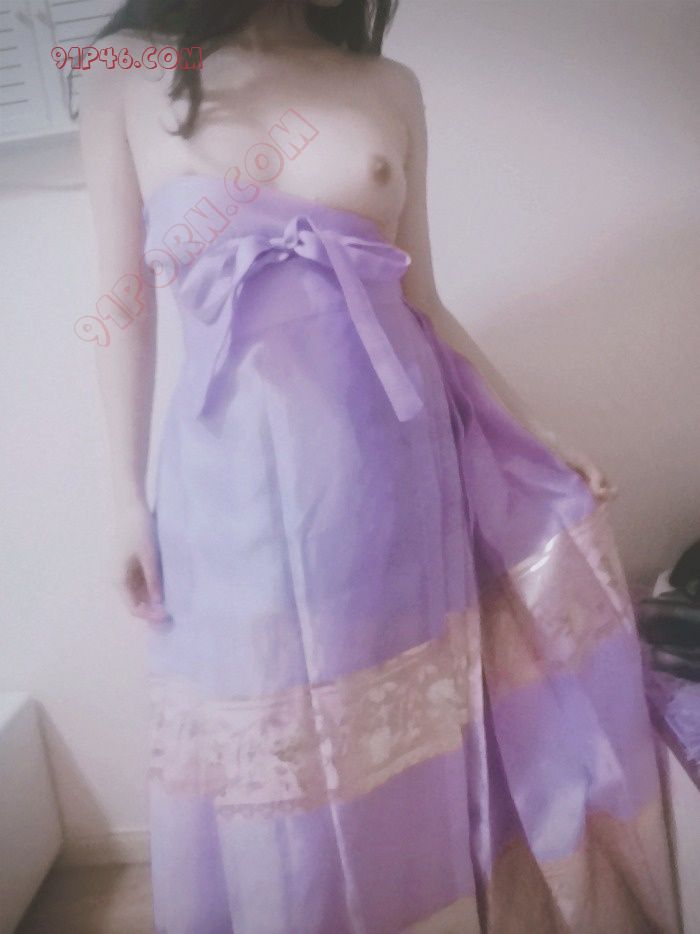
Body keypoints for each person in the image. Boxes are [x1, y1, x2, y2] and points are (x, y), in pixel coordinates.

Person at [79, 1, 679, 931]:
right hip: (226, 489)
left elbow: (424, 299)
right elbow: (123, 303)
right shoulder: (118, 72)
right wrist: (125, 499)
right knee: (276, 750)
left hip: (397, 477)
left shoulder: (386, 85)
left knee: (407, 746)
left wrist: (533, 428)